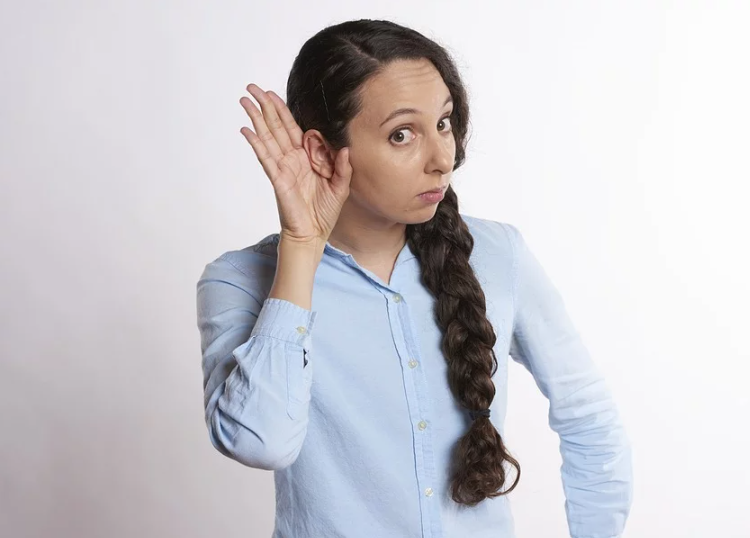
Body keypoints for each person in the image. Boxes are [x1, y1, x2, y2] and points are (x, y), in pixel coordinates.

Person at [196, 18, 633, 538]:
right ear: (321, 152)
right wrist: (302, 245)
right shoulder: (238, 281)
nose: (443, 159)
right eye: (401, 134)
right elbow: (260, 442)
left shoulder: (499, 255)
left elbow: (587, 415)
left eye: (443, 123)